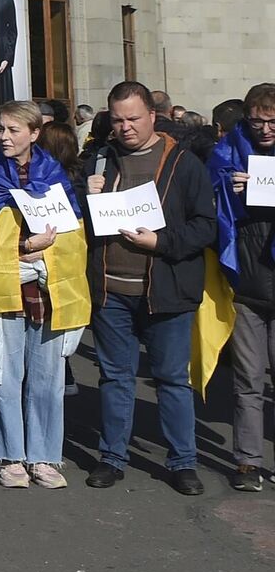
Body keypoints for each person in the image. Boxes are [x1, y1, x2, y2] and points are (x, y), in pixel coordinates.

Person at [83, 80, 221, 495]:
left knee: (171, 380)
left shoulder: (183, 163)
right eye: (118, 119)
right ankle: (112, 457)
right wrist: (85, 195)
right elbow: (82, 227)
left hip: (166, 291)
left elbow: (205, 226)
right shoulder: (99, 160)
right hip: (111, 291)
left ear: (153, 117)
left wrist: (161, 243)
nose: (125, 128)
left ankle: (182, 462)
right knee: (115, 378)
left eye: (133, 119)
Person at [0, 101, 87, 489]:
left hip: (47, 287)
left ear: (34, 134)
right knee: (4, 374)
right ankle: (8, 455)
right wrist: (22, 243)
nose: (4, 137)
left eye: (13, 130)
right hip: (6, 284)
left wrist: (46, 247)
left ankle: (45, 455)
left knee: (48, 376)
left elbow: (71, 230)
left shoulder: (53, 173)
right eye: (1, 129)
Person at [212, 83, 275, 491]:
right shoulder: (227, 150)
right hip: (247, 280)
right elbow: (209, 197)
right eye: (257, 120)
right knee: (248, 379)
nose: (265, 129)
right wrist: (229, 190)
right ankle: (248, 462)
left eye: (272, 121)